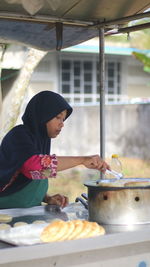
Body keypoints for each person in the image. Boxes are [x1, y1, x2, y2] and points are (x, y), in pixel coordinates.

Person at [0, 91, 110, 209]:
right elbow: (33, 168)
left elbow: (38, 174)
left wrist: (46, 198)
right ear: (42, 115)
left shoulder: (42, 140)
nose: (62, 124)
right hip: (6, 209)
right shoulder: (19, 135)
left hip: (26, 210)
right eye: (58, 117)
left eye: (63, 119)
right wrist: (81, 160)